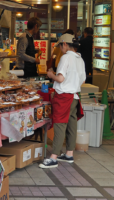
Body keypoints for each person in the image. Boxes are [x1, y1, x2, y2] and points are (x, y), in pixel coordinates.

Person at [40, 33, 86, 169]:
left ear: (64, 44)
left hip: (63, 96)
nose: (60, 48)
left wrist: (50, 75)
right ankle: (69, 154)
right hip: (75, 96)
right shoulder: (80, 59)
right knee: (72, 124)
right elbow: (83, 80)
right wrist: (73, 84)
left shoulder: (65, 58)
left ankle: (54, 157)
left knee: (60, 124)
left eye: (60, 45)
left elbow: (60, 78)